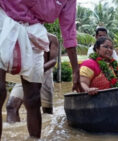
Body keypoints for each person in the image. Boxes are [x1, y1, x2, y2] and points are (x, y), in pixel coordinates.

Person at [0, 1, 82, 138]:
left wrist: (75, 69)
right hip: (3, 19)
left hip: (34, 33)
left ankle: (34, 138)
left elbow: (68, 31)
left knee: (33, 98)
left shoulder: (52, 38)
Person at [6, 33, 58, 123]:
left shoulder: (51, 38)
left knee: (47, 113)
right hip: (25, 75)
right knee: (11, 106)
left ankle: (44, 134)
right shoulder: (19, 34)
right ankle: (16, 135)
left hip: (44, 76)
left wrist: (37, 70)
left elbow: (53, 61)